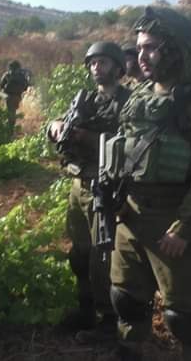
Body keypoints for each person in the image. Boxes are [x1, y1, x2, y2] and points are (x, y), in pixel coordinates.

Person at [108, 7, 191, 360]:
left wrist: (185, 227)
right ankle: (129, 351)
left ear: (175, 49)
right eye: (139, 48)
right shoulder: (139, 97)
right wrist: (115, 199)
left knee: (184, 319)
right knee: (126, 299)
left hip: (174, 222)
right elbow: (124, 149)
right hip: (130, 216)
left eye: (150, 47)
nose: (141, 56)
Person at [48, 42, 131, 342]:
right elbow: (59, 124)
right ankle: (86, 310)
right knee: (79, 254)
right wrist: (55, 127)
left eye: (103, 62)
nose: (97, 67)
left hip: (105, 187)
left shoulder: (128, 103)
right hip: (78, 184)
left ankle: (108, 319)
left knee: (102, 258)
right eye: (93, 62)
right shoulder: (86, 100)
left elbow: (129, 145)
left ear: (118, 68)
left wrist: (89, 137)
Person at [0, 60, 30, 129]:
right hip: (12, 96)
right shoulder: (9, 75)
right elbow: (0, 88)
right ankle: (10, 126)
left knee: (12, 112)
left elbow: (26, 86)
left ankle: (10, 126)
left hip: (14, 96)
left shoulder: (18, 76)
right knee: (12, 112)